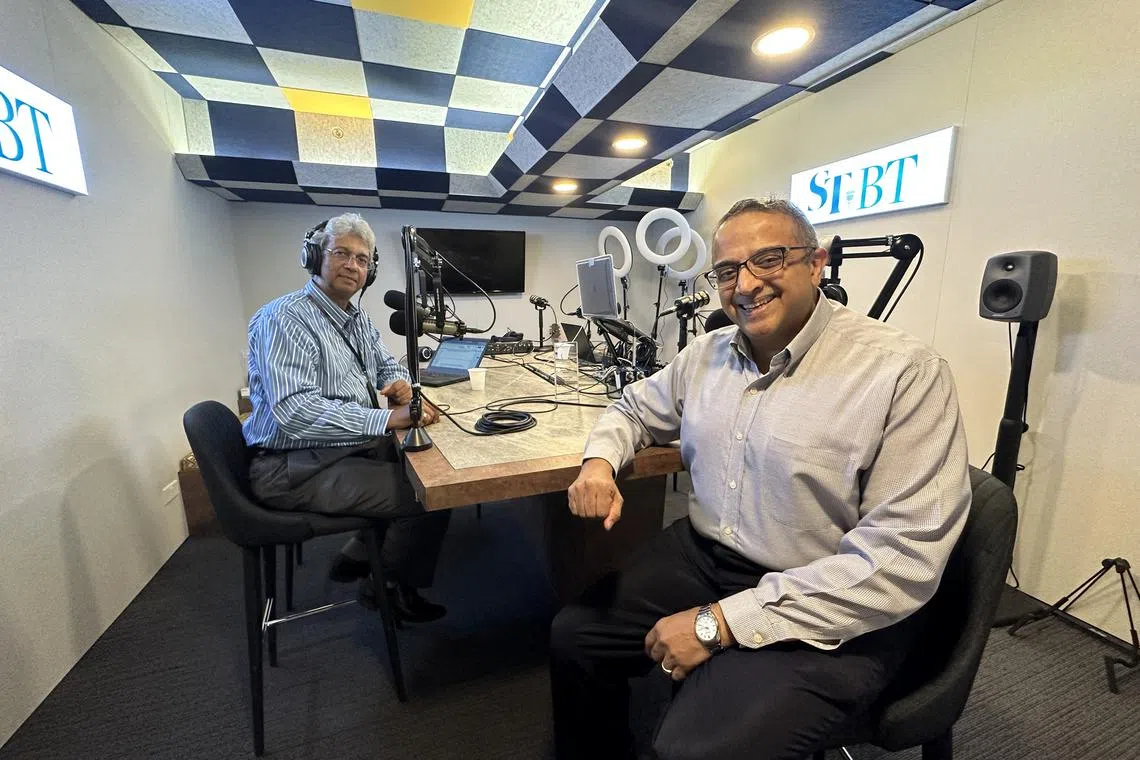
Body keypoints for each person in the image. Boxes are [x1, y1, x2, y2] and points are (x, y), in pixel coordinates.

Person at [550, 198, 971, 760]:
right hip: (706, 557)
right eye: (727, 270)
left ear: (816, 264)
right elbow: (631, 409)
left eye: (769, 260)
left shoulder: (904, 373)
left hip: (826, 593)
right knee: (575, 635)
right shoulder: (705, 354)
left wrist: (717, 624)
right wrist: (600, 461)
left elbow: (899, 563)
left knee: (694, 748)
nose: (744, 284)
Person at [243, 212, 450, 623]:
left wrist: (400, 386)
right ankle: (385, 587)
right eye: (341, 253)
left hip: (331, 452)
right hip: (291, 467)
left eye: (361, 259)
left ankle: (357, 551)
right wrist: (386, 420)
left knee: (418, 459)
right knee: (431, 493)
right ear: (315, 257)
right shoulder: (285, 319)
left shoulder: (354, 319)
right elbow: (295, 413)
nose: (352, 266)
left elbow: (385, 363)